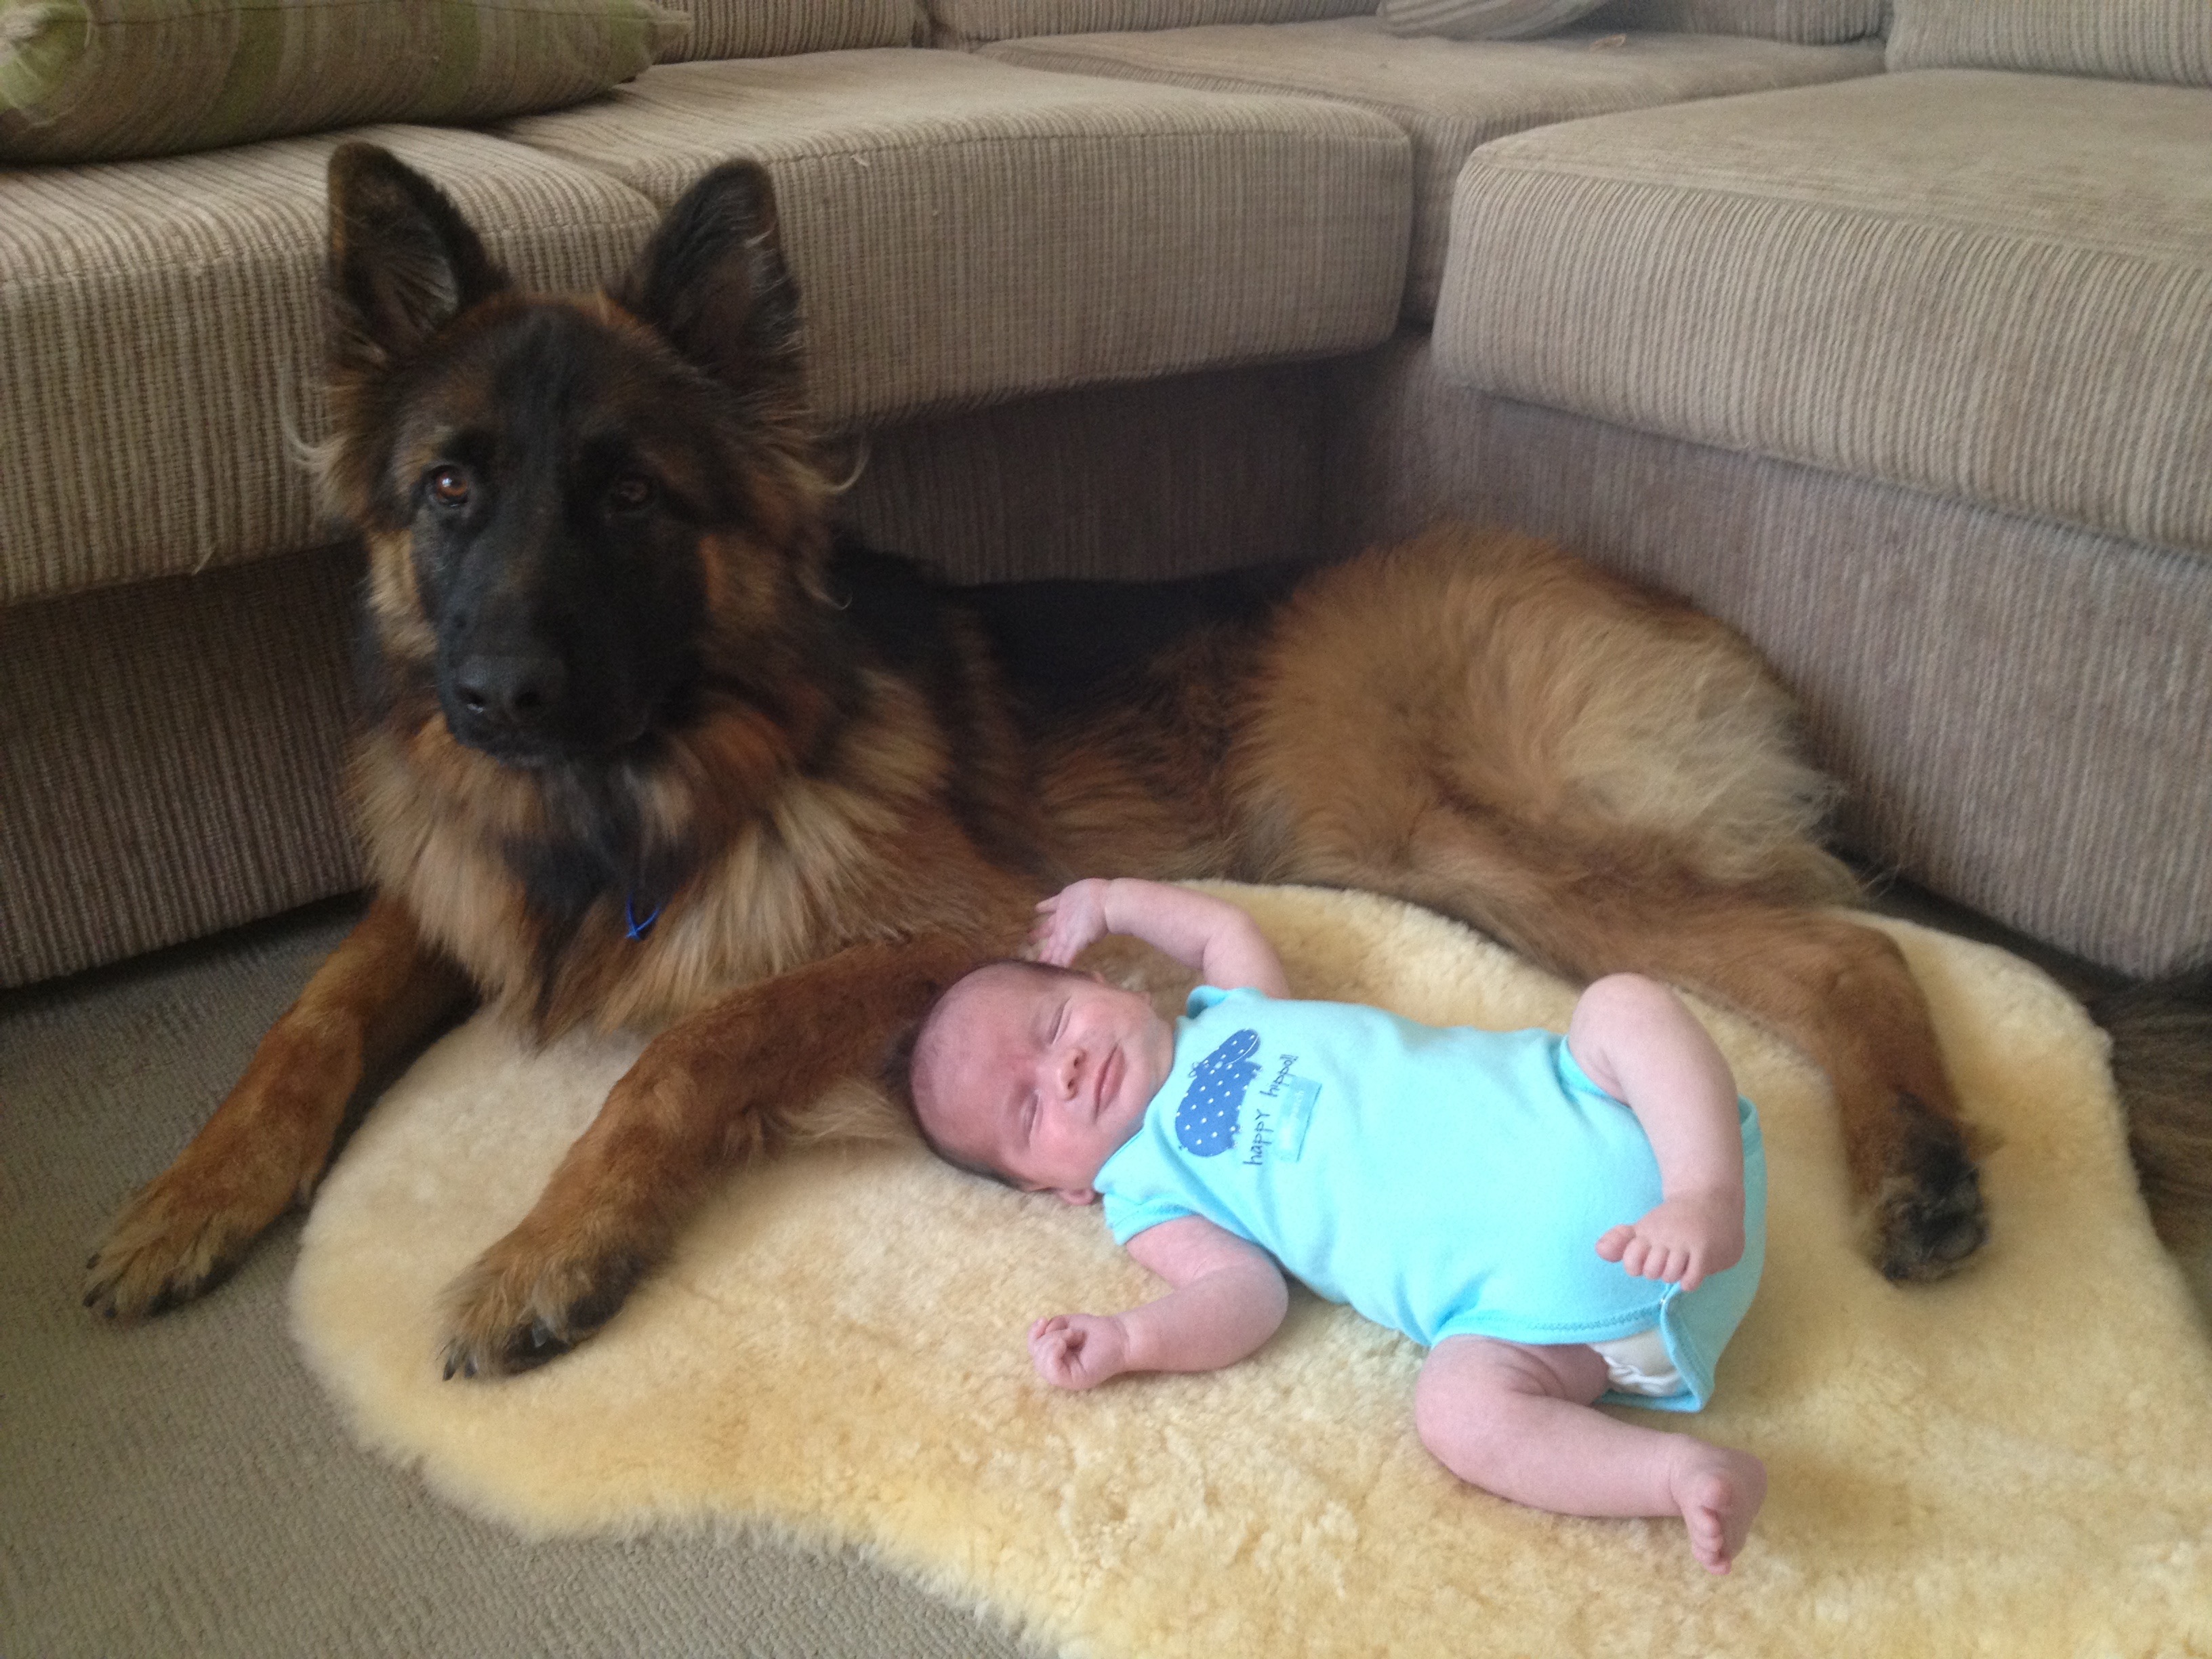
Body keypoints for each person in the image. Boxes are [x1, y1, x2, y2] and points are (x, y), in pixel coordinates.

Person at [908, 877, 1770, 1574]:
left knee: (1622, 1007)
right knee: (1456, 1413)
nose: (1060, 1072)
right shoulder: (1146, 1194)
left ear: (1111, 985)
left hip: (1634, 1132)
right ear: (1057, 1190)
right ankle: (1673, 1475)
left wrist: (1111, 900)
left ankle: (1707, 1194)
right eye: (1026, 1113)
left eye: (1054, 1026)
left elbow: (1217, 928)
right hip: (1561, 1327)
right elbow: (1242, 1297)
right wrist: (1133, 1339)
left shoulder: (1231, 1009)